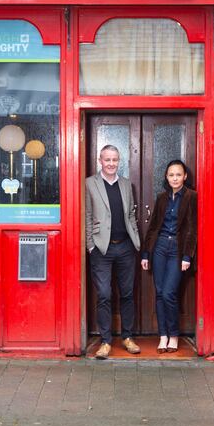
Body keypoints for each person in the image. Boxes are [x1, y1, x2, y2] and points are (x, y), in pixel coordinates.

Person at [85, 145, 142, 359]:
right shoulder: (90, 183)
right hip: (101, 248)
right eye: (107, 159)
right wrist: (90, 245)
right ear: (100, 160)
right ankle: (106, 341)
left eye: (115, 160)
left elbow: (130, 215)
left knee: (127, 293)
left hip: (126, 247)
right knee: (104, 295)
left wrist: (136, 242)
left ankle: (127, 337)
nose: (111, 163)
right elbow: (87, 216)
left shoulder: (126, 184)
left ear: (120, 161)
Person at [141, 159, 197, 353]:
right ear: (166, 177)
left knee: (169, 293)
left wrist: (187, 256)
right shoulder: (162, 198)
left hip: (177, 249)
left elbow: (192, 229)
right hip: (160, 247)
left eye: (178, 175)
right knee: (159, 292)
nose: (175, 178)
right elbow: (154, 226)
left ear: (185, 176)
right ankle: (163, 336)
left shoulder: (191, 197)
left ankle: (174, 335)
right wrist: (146, 253)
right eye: (171, 175)